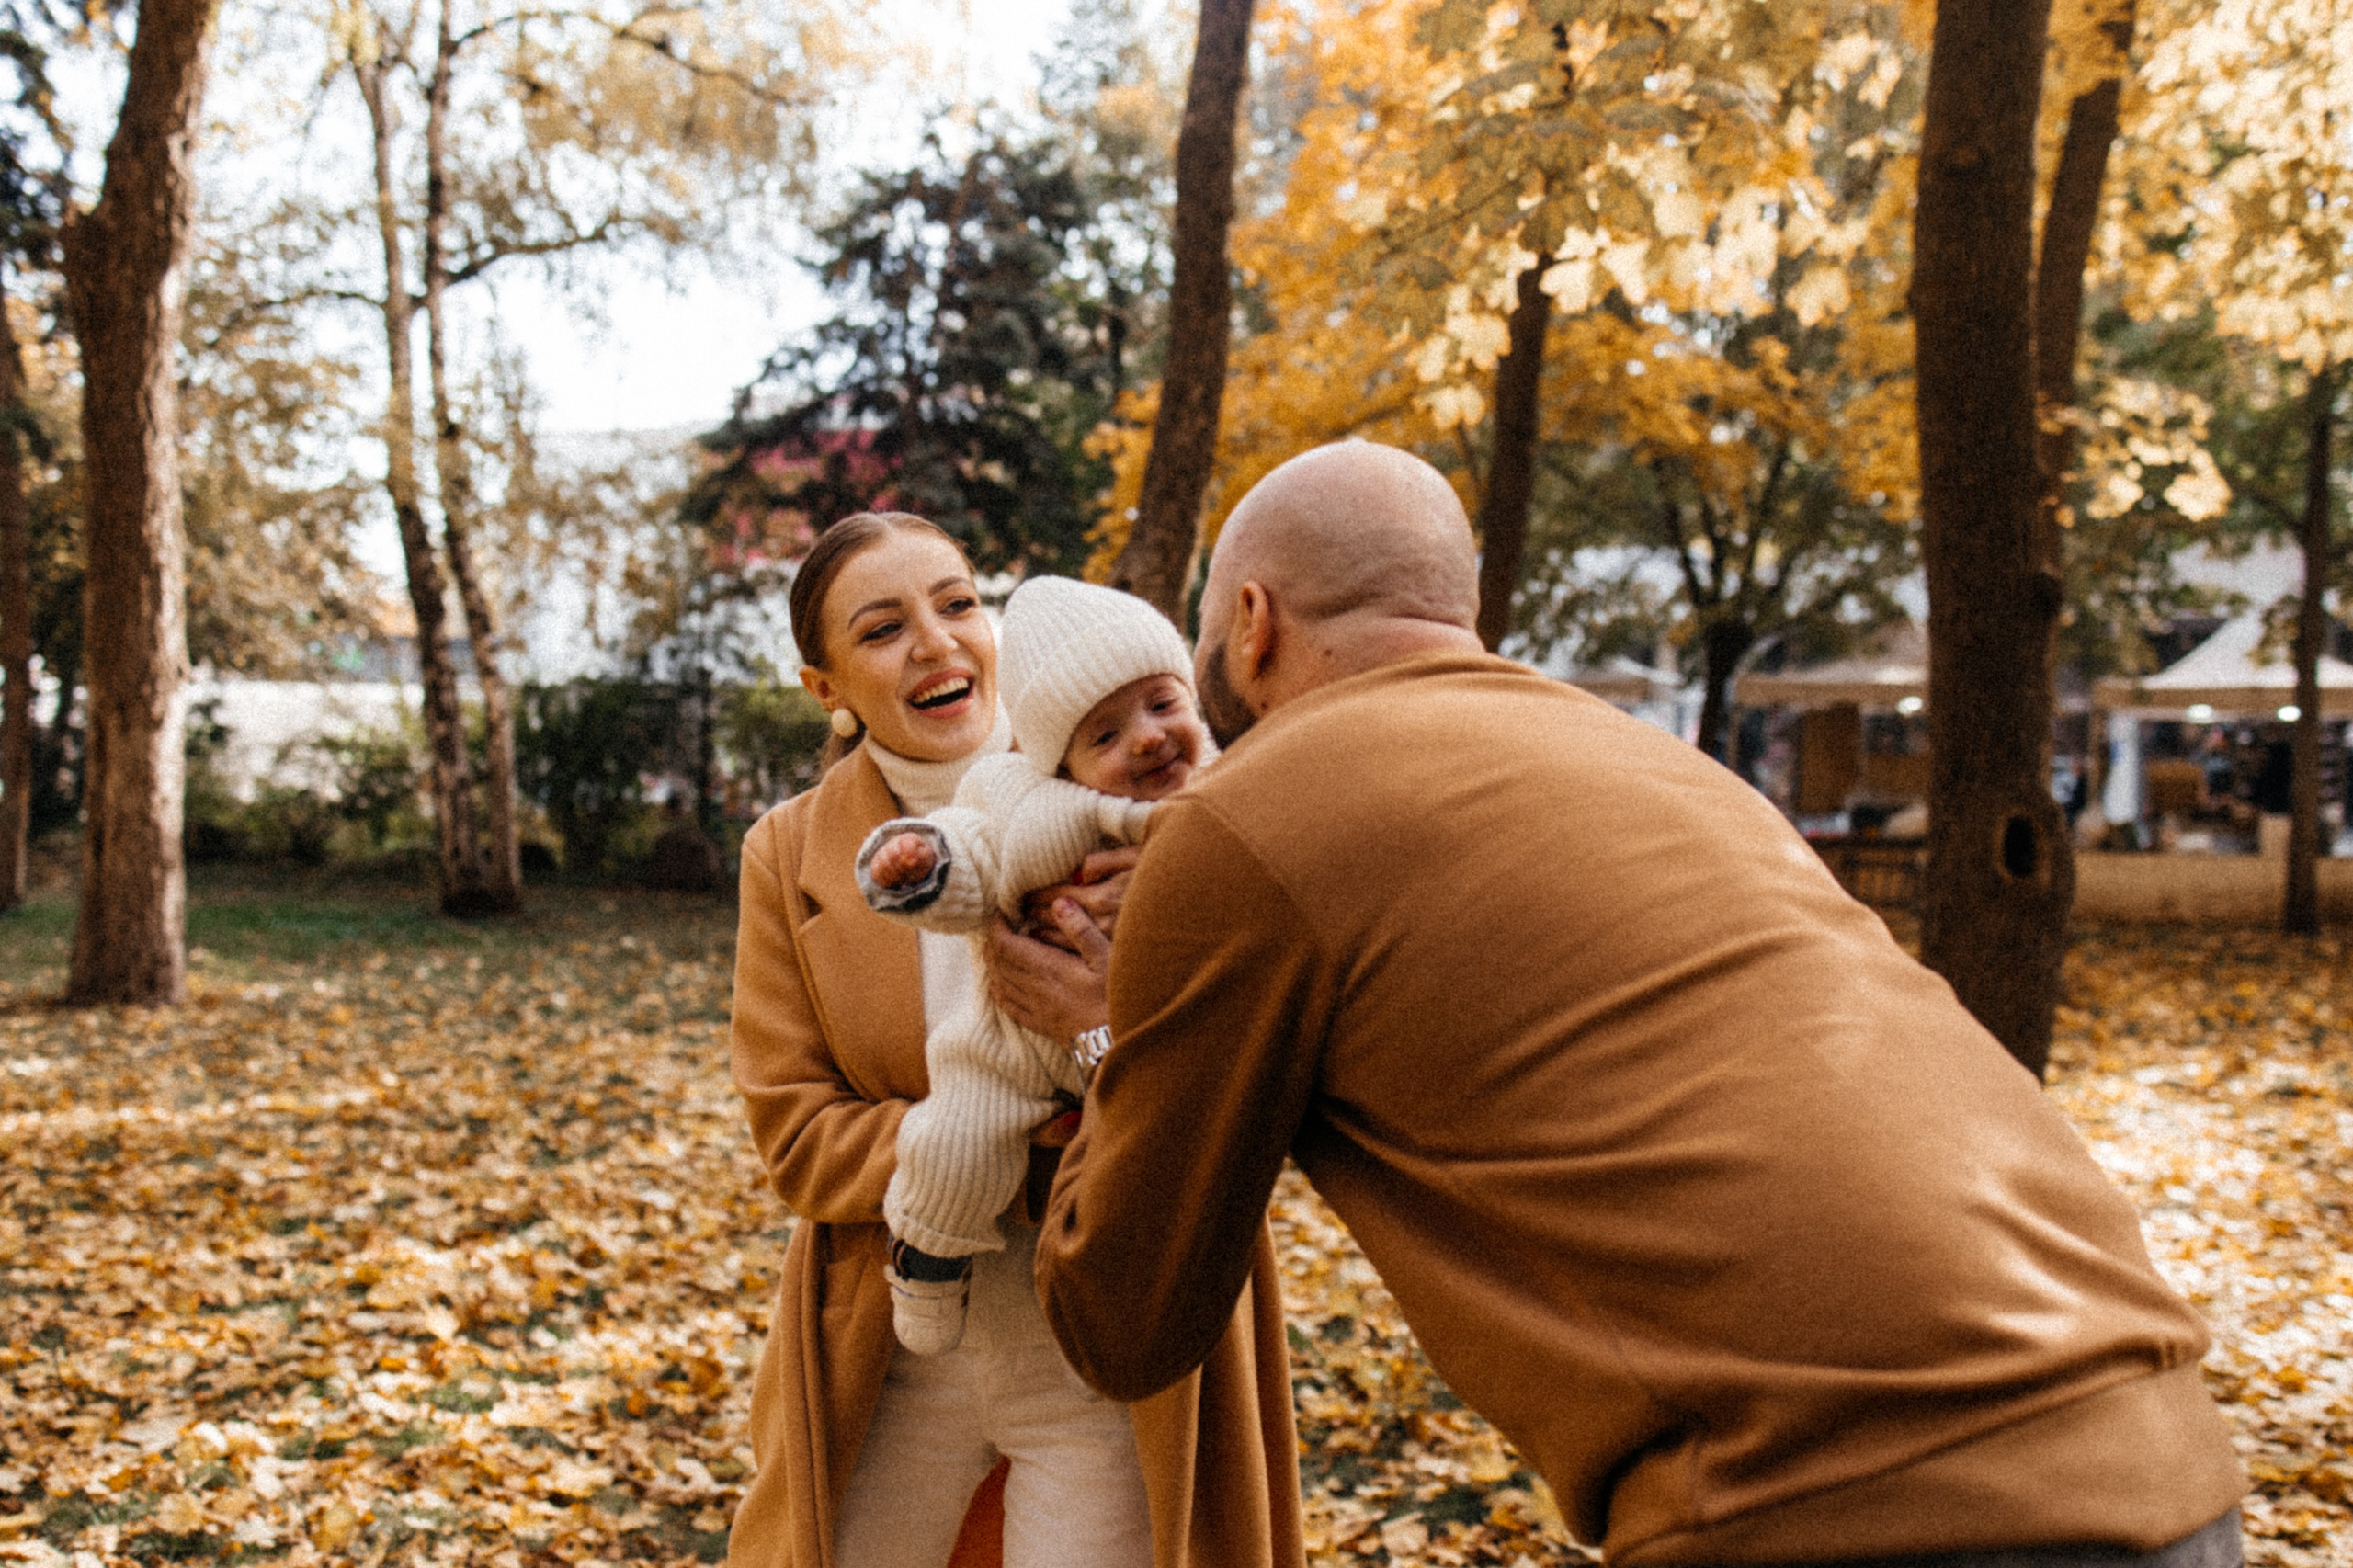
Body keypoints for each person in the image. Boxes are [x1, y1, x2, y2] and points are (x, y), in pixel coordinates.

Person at [991, 444, 2248, 1568]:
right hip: (2163, 1445)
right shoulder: (1660, 763)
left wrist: (1104, 1031)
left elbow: (1125, 1318)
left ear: (1251, 621)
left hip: (1836, 1497)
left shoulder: (1240, 820)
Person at [726, 512, 1302, 1568]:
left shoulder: (1150, 798)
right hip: (893, 1346)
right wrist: (986, 1139)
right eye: (883, 628)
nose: (936, 642)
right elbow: (796, 1137)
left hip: (1108, 1341)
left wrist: (1098, 1032)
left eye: (957, 603)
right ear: (826, 687)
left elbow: (1241, 1085)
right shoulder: (786, 853)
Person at [858, 576, 1213, 1357]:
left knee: (1151, 1169)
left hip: (1150, 1042)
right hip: (1014, 1048)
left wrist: (1169, 886)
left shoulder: (1230, 792)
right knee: (954, 1145)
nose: (1147, 739)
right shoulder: (1025, 801)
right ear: (1058, 761)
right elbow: (976, 854)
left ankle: (1126, 1306)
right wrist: (924, 865)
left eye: (1162, 704)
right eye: (1104, 736)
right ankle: (927, 1262)